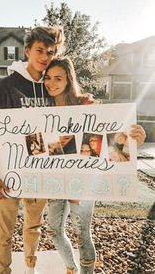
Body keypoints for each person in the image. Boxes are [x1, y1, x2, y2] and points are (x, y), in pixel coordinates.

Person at [43, 56, 146, 274]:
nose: (51, 83)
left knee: (82, 233)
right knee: (53, 230)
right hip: (55, 178)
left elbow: (109, 138)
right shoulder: (42, 108)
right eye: (48, 77)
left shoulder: (85, 105)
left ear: (69, 81)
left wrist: (133, 140)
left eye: (58, 78)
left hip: (83, 178)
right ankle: (71, 268)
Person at [0, 26, 64, 274]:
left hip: (39, 171)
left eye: (50, 52)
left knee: (33, 226)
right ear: (27, 50)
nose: (44, 57)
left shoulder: (52, 86)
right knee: (4, 232)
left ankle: (30, 269)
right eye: (40, 50)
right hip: (9, 171)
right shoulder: (6, 86)